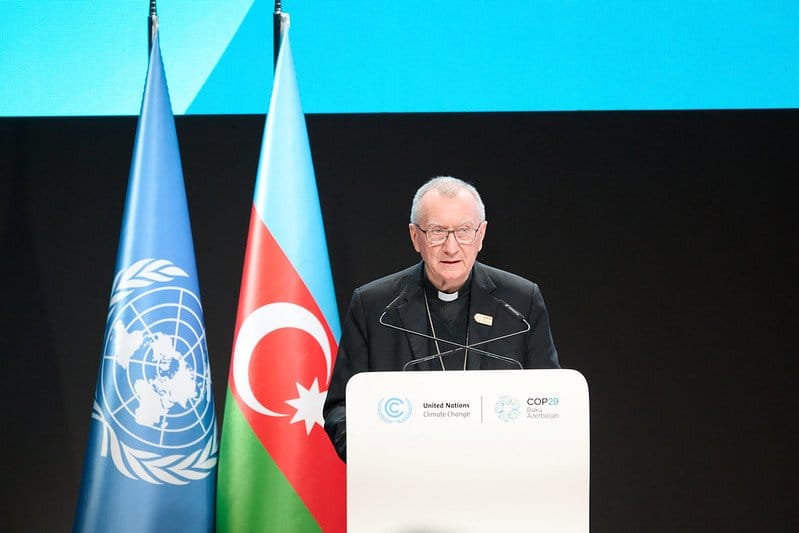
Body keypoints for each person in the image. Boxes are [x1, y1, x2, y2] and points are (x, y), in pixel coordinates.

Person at [323, 176, 559, 461]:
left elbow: (550, 402)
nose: (451, 247)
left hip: (495, 480)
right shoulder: (374, 306)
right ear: (415, 237)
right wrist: (379, 458)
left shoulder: (521, 302)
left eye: (463, 231)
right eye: (436, 231)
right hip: (402, 483)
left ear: (481, 235)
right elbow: (340, 409)